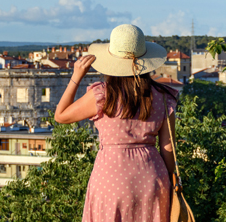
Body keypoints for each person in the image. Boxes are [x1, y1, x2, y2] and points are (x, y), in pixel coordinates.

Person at [55, 24, 178, 222]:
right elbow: (168, 147)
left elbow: (60, 116)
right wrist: (171, 179)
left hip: (111, 177)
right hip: (153, 177)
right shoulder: (163, 96)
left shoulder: (102, 95)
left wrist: (76, 77)